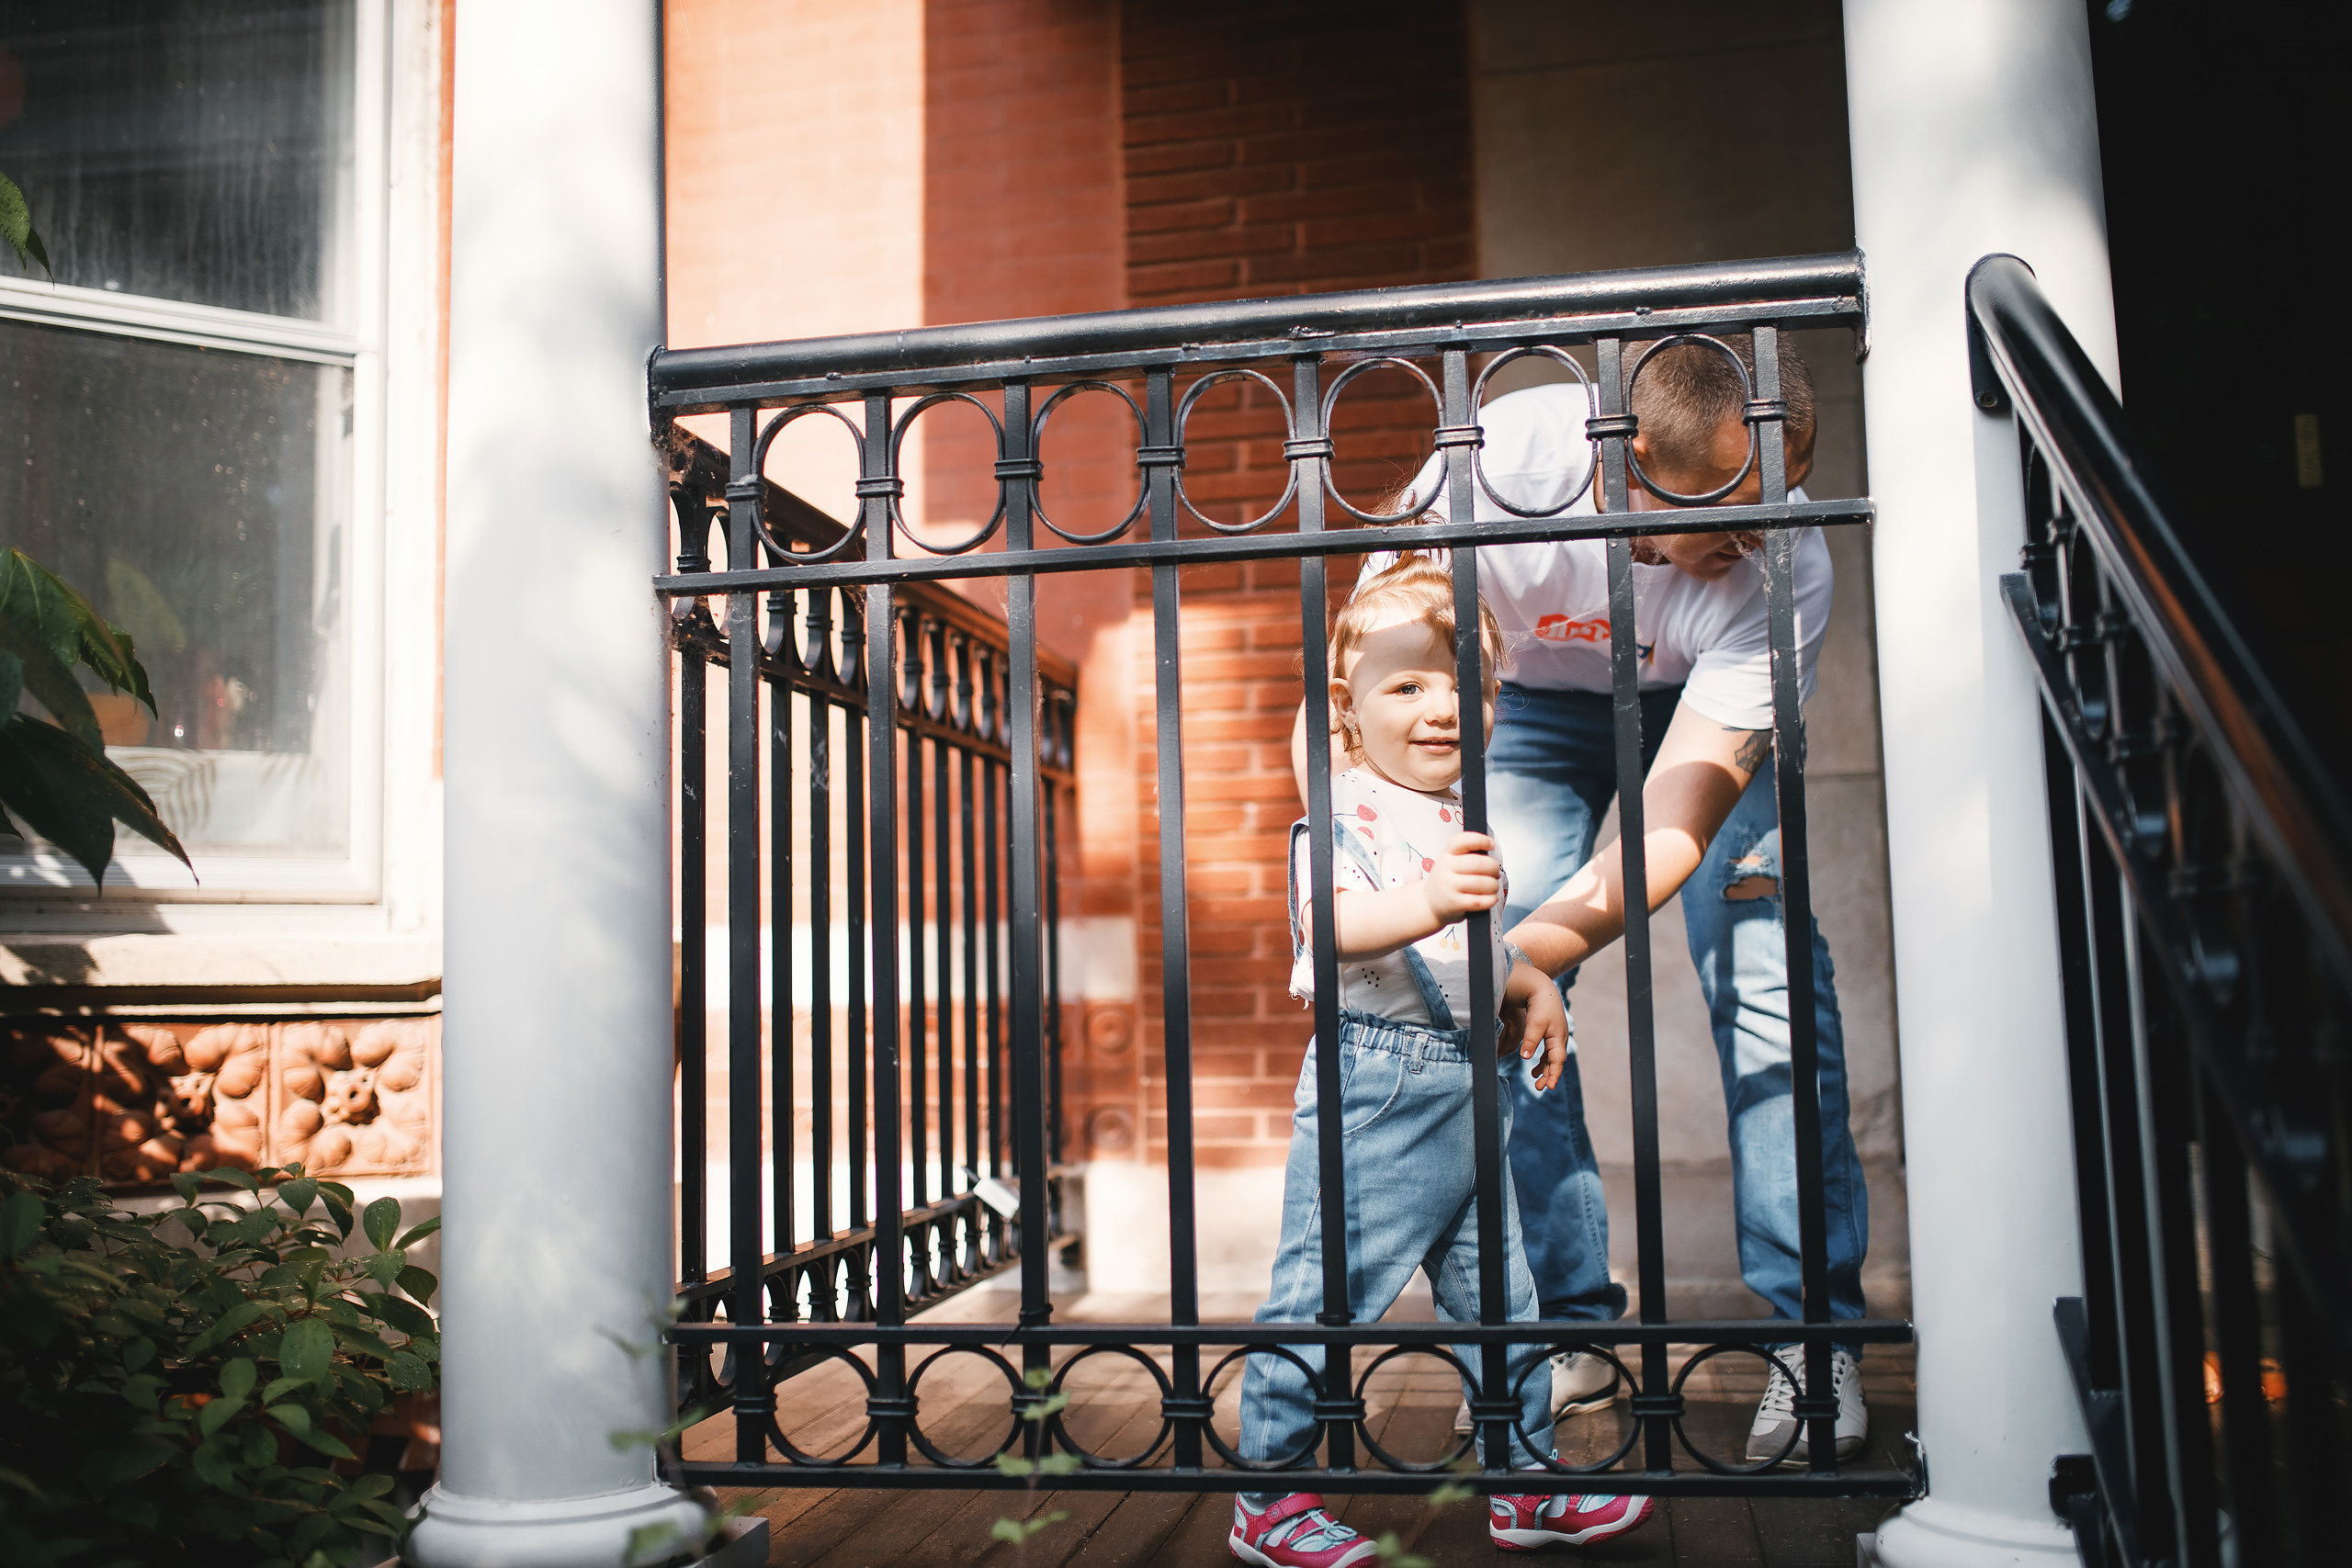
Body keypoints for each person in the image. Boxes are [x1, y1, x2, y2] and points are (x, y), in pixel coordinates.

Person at [1291, 337, 1871, 1465]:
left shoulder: (1782, 556)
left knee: (1761, 965)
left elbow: (1679, 823)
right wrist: (1451, 925)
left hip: (1695, 711)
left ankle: (1815, 1336)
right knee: (1482, 982)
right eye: (1731, 508)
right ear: (1627, 459)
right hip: (1520, 707)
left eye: (1780, 492)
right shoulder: (1487, 467)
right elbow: (1354, 704)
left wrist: (1541, 949)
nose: (1762, 530)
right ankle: (1562, 1330)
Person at [1231, 558, 1654, 1566]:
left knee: (1503, 1301)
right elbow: (1325, 929)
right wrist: (1425, 903)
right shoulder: (1340, 815)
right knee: (1328, 1291)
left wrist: (1524, 981)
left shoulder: (1456, 812)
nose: (1444, 708)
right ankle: (1268, 1496)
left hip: (1470, 1083)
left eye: (1471, 685)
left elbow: (1466, 952)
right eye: (1407, 684)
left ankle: (1521, 1482)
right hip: (1376, 1089)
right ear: (1347, 709)